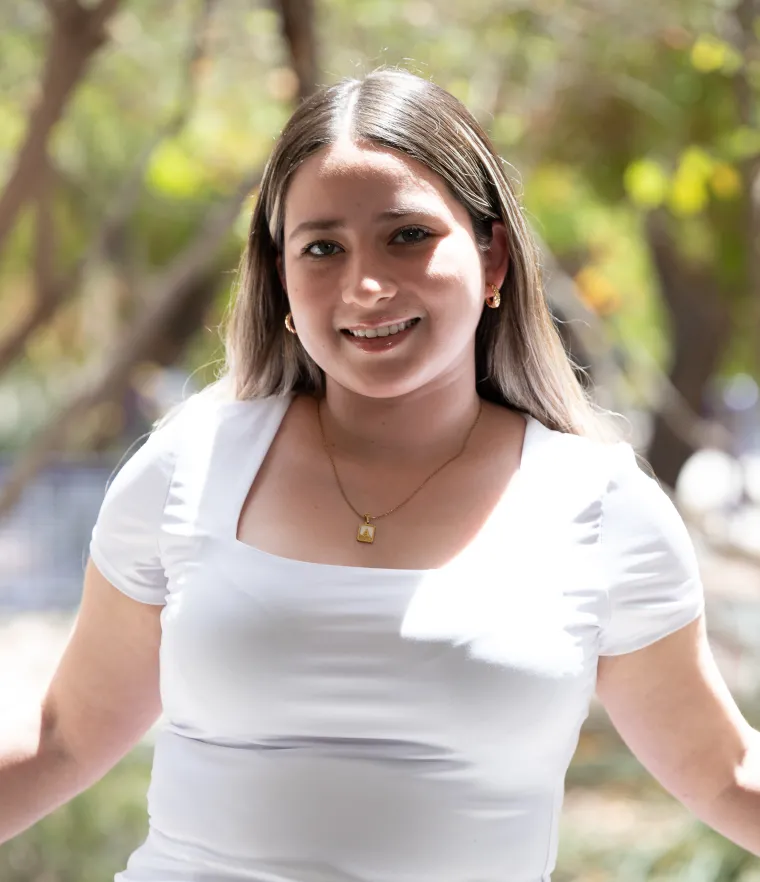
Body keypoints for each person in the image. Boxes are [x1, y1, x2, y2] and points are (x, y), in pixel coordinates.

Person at [2, 68, 758, 882]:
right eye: (322, 248)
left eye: (407, 236)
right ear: (282, 278)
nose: (365, 287)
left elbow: (724, 773)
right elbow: (63, 738)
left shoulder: (601, 508)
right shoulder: (190, 464)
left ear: (493, 256)